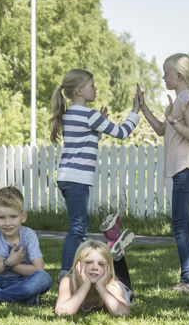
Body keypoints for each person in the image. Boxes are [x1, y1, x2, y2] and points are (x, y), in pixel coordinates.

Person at [48, 68, 141, 280]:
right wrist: (135, 111)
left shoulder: (70, 114)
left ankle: (77, 272)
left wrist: (98, 128)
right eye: (92, 86)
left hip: (67, 177)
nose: (96, 89)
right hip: (77, 179)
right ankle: (66, 276)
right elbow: (122, 132)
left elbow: (84, 143)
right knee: (77, 229)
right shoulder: (89, 115)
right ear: (79, 91)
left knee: (80, 227)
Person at [137, 53, 189, 294]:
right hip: (183, 169)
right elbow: (160, 130)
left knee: (178, 226)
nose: (163, 77)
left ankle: (187, 282)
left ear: (179, 75)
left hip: (187, 168)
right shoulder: (178, 100)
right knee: (183, 226)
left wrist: (173, 120)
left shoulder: (187, 98)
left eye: (166, 73)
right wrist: (143, 107)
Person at [54, 240, 133, 316]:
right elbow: (61, 312)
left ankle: (117, 251)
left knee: (124, 282)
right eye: (88, 262)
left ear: (108, 267)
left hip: (121, 288)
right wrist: (85, 285)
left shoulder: (112, 285)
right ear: (77, 264)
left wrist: (100, 287)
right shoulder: (68, 282)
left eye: (101, 264)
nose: (95, 267)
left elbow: (124, 313)